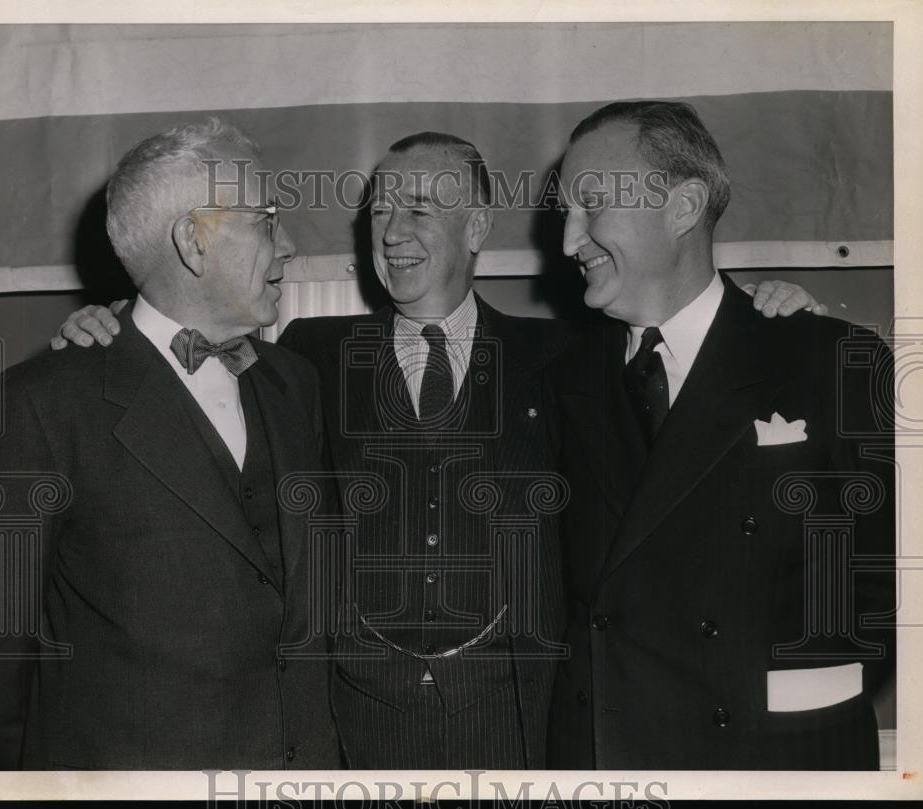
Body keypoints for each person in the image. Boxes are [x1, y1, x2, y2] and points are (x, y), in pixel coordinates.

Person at [51, 131, 822, 769]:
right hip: (350, 735)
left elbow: (683, 365)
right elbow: (181, 349)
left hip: (519, 733)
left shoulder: (568, 360)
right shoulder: (302, 358)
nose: (391, 230)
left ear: (477, 228)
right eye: (381, 210)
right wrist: (112, 324)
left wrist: (773, 310)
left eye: (419, 207)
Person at [0, 119, 340, 770]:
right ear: (194, 242)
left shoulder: (296, 383)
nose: (292, 243)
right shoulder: (37, 407)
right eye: (267, 219)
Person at [546, 100, 895, 770]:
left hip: (773, 763)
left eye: (591, 205)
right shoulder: (559, 380)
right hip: (612, 763)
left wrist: (792, 711)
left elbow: (884, 587)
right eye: (565, 211)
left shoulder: (827, 359)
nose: (568, 241)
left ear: (682, 209)